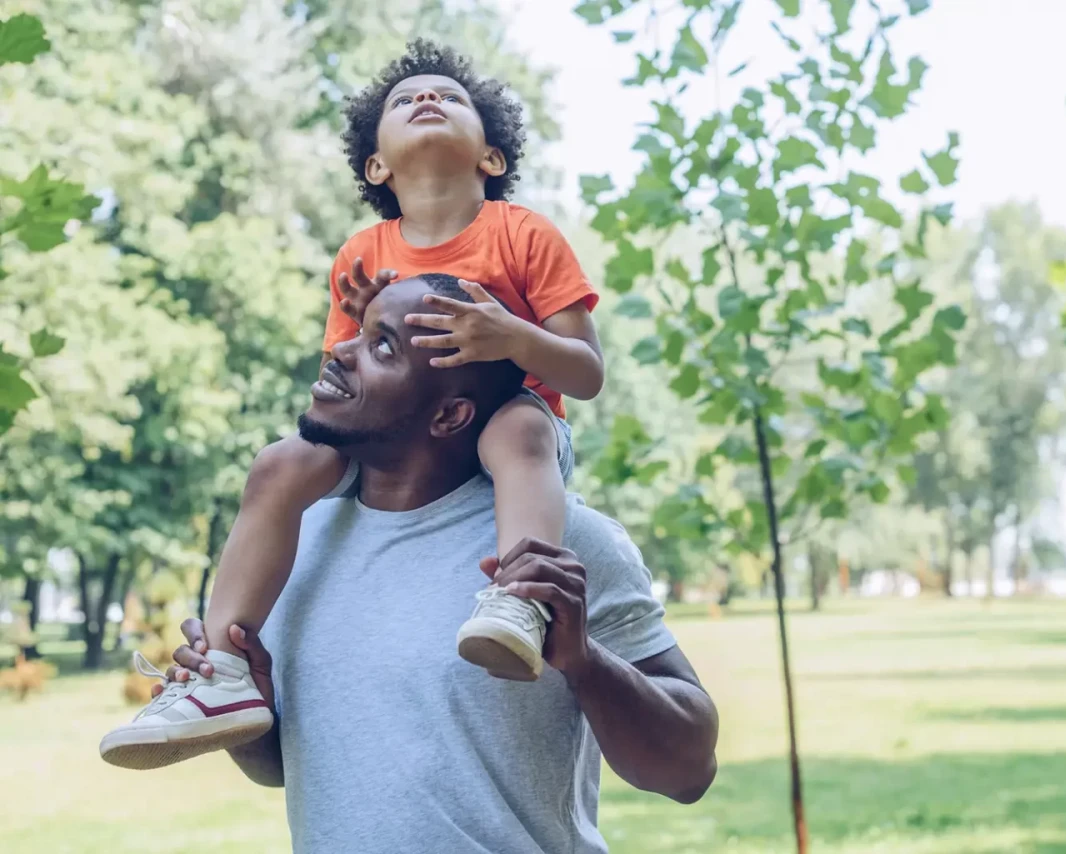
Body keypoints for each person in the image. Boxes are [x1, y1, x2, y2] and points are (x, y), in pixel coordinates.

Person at [99, 40, 604, 768]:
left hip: (509, 415)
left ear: (491, 157)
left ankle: (518, 601)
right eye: (405, 101)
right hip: (394, 440)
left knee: (520, 432)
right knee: (278, 465)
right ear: (377, 166)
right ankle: (223, 672)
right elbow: (342, 388)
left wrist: (510, 334)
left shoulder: (522, 233)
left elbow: (584, 374)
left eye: (449, 97)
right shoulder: (361, 253)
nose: (426, 100)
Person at [114, 277, 718, 853]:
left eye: (382, 346)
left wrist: (585, 661)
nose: (341, 351)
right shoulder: (292, 540)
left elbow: (689, 770)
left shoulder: (553, 543)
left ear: (449, 415)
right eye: (357, 330)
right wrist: (253, 708)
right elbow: (293, 772)